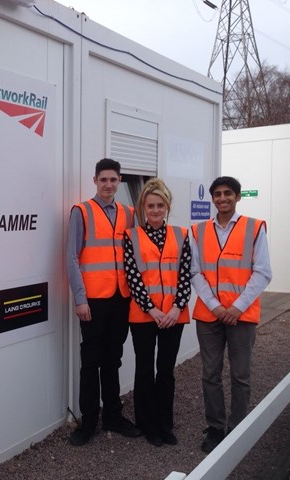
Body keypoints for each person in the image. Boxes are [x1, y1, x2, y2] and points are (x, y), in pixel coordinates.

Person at [191, 176, 272, 453]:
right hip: (209, 315)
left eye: (227, 194)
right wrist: (215, 306)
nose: (222, 198)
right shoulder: (198, 231)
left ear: (237, 197)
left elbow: (262, 273)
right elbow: (195, 272)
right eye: (217, 194)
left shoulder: (254, 228)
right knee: (210, 375)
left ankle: (237, 429)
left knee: (241, 375)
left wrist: (236, 307)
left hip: (241, 315)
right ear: (212, 198)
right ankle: (215, 428)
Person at [66, 158, 142, 446]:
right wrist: (80, 299)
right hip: (93, 302)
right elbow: (72, 257)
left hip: (121, 299)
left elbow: (134, 256)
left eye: (114, 180)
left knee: (113, 360)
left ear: (120, 181)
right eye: (103, 180)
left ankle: (113, 416)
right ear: (95, 181)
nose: (109, 184)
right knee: (90, 363)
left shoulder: (128, 213)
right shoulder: (82, 211)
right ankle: (88, 423)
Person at [122, 178, 191, 447]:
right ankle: (147, 424)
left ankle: (165, 423)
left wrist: (176, 308)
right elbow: (133, 277)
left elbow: (185, 274)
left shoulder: (182, 234)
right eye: (150, 205)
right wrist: (152, 310)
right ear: (142, 208)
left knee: (165, 370)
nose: (155, 210)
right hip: (143, 316)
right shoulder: (131, 237)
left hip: (174, 316)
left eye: (160, 205)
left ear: (167, 206)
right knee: (143, 369)